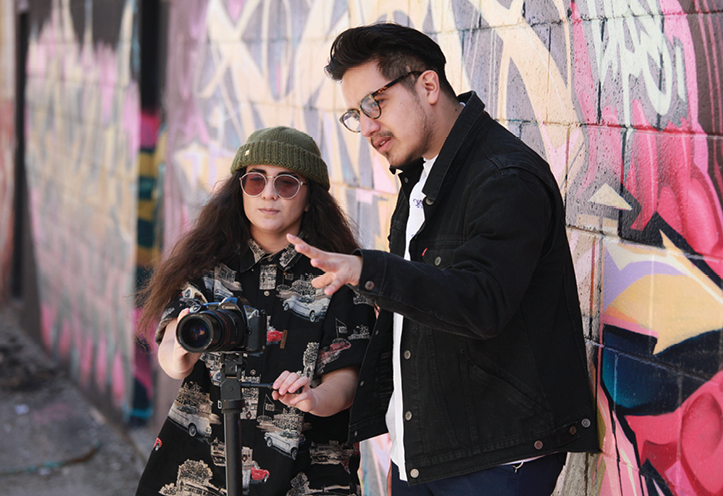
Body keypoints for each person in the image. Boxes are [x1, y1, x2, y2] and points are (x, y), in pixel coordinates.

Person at [286, 23, 599, 496]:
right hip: (423, 454)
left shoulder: (504, 177)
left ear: (428, 85)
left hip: (495, 462)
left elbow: (480, 301)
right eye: (356, 113)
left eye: (376, 103)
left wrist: (372, 271)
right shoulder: (420, 178)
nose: (368, 125)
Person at [134, 126, 375, 496]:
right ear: (240, 190)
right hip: (204, 469)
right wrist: (180, 350)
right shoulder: (206, 268)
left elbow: (347, 381)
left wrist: (313, 399)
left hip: (307, 470)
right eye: (255, 180)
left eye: (287, 183)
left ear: (309, 198)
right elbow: (172, 353)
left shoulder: (337, 277)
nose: (269, 194)